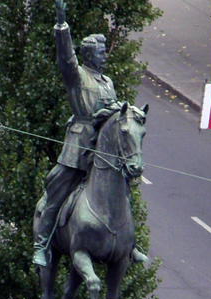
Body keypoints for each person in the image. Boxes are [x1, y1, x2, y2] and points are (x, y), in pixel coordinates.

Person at [32, 0, 148, 267]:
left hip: (103, 148)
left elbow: (114, 113)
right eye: (101, 53)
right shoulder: (77, 76)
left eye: (105, 52)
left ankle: (130, 244)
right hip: (79, 145)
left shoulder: (108, 82)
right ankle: (42, 244)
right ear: (89, 55)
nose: (105, 56)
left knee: (121, 189)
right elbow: (65, 57)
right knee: (58, 189)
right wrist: (61, 23)